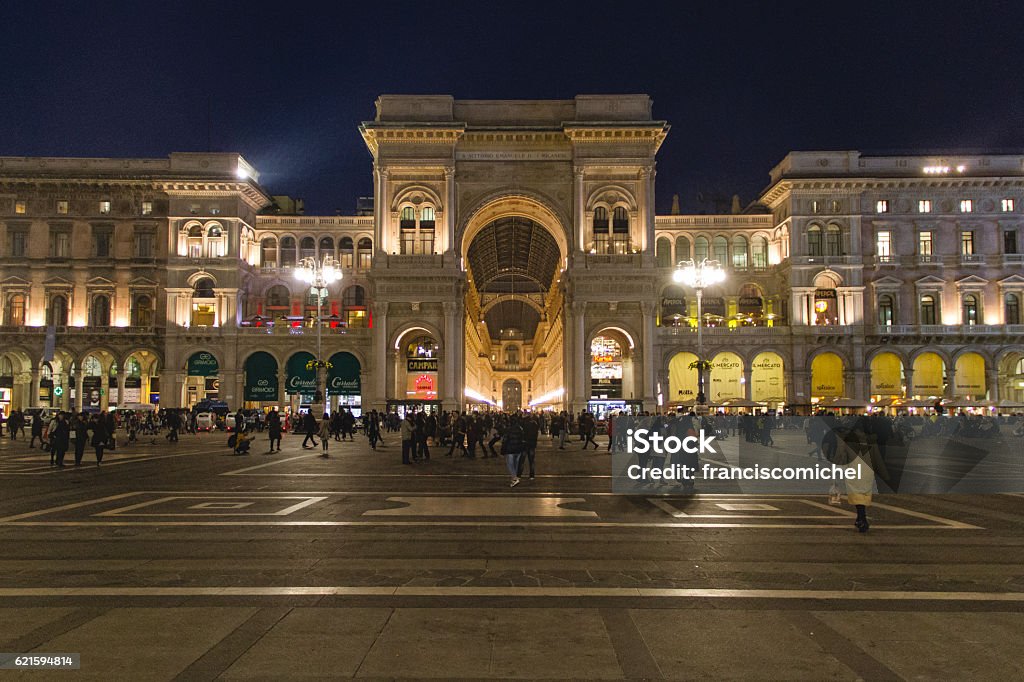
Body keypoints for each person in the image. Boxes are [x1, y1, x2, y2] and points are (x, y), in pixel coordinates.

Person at [829, 418, 891, 533]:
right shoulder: (871, 440)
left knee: (856, 493)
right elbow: (877, 457)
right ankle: (859, 518)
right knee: (863, 493)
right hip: (867, 470)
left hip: (853, 468)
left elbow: (840, 456)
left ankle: (862, 519)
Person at [502, 416, 526, 488]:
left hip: (510, 449)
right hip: (518, 449)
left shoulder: (508, 429)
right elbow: (523, 438)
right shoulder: (520, 429)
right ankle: (514, 479)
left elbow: (505, 440)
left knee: (510, 465)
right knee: (516, 464)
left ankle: (514, 478)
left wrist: (503, 449)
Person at [518, 414, 540, 480]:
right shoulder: (535, 425)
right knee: (531, 461)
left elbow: (522, 434)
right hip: (532, 444)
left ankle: (519, 474)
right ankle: (532, 475)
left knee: (522, 460)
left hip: (525, 444)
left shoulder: (524, 425)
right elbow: (536, 434)